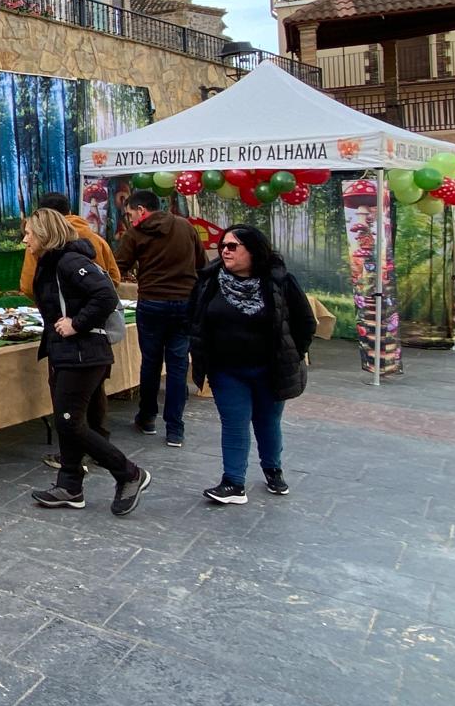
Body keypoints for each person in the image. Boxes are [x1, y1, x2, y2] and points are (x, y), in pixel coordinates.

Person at [25, 209, 151, 516]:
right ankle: (69, 485)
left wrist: (76, 324)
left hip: (83, 352)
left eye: (29, 232)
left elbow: (106, 296)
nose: (24, 238)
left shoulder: (70, 261)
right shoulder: (52, 262)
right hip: (65, 352)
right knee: (67, 419)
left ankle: (129, 473)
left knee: (71, 421)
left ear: (45, 234)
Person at [187, 225, 316, 505]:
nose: (224, 250)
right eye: (223, 245)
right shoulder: (210, 280)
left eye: (233, 246)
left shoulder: (279, 281)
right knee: (234, 424)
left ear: (254, 250)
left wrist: (293, 353)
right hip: (226, 370)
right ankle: (233, 483)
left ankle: (273, 469)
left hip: (270, 368)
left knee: (267, 422)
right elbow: (194, 318)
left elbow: (305, 322)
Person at [116, 189, 205, 447]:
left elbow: (118, 267)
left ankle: (147, 417)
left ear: (141, 210)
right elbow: (201, 263)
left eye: (130, 214)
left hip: (152, 304)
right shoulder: (185, 227)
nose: (130, 219)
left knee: (151, 363)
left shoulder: (135, 234)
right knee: (178, 367)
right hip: (184, 304)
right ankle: (175, 429)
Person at [19, 193, 121, 302]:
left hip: (61, 313)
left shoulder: (40, 244)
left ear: (43, 215)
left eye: (27, 234)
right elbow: (114, 278)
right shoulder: (97, 239)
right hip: (96, 310)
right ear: (70, 211)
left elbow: (28, 286)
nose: (25, 239)